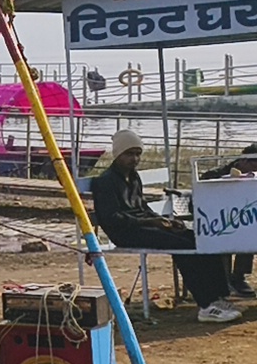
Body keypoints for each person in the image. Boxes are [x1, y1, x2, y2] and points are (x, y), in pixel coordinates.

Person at [93, 130, 241, 322]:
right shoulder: (105, 181)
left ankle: (219, 296)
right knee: (182, 246)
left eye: (138, 154)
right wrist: (152, 222)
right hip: (125, 232)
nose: (135, 159)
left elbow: (142, 207)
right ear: (118, 154)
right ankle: (206, 304)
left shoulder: (133, 177)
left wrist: (166, 223)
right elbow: (113, 219)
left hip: (143, 226)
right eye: (129, 154)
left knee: (201, 238)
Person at [198, 142, 257, 297]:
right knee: (227, 237)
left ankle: (238, 276)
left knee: (249, 232)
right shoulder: (215, 174)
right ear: (244, 161)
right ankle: (224, 280)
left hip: (244, 218)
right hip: (217, 219)